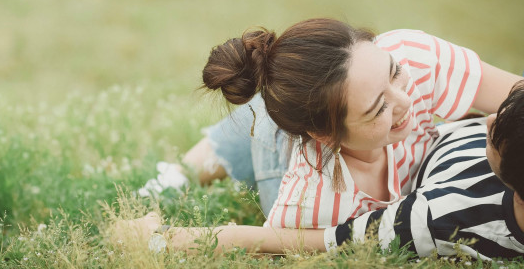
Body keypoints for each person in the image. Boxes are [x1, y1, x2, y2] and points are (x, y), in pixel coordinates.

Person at [138, 19, 522, 228]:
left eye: (394, 73)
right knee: (267, 122)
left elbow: (518, 97)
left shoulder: (416, 58)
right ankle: (176, 177)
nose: (407, 100)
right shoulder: (309, 200)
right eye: (378, 109)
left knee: (296, 97)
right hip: (290, 160)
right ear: (326, 135)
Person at [115, 82, 524, 259]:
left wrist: (160, 242)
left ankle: (173, 181)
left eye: (495, 135)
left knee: (290, 101)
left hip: (336, 203)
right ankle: (176, 176)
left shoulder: (437, 217)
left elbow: (304, 242)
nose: (489, 121)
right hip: (393, 159)